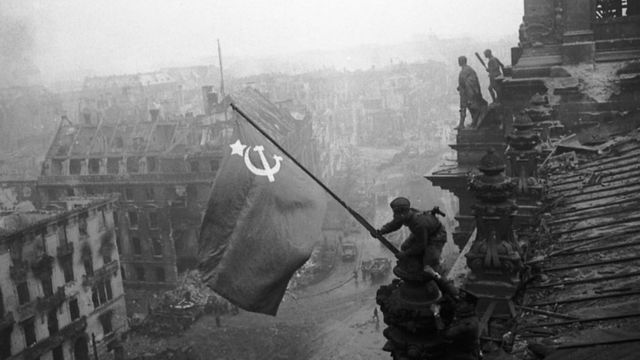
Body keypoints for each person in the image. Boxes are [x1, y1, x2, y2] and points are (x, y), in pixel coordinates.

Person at [371, 197, 447, 274]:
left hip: (436, 236)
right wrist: (381, 231)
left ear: (402, 213)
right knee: (405, 247)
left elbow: (421, 245)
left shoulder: (418, 224)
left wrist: (405, 254)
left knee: (429, 265)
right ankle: (416, 265)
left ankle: (440, 277)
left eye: (395, 213)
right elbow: (395, 224)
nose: (394, 215)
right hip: (422, 232)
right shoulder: (406, 214)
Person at [456, 56, 488, 130]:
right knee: (468, 107)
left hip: (468, 93)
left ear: (462, 61)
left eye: (459, 60)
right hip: (468, 92)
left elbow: (464, 81)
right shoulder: (468, 69)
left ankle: (470, 123)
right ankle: (470, 123)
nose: (458, 62)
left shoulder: (466, 70)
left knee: (468, 107)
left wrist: (461, 87)